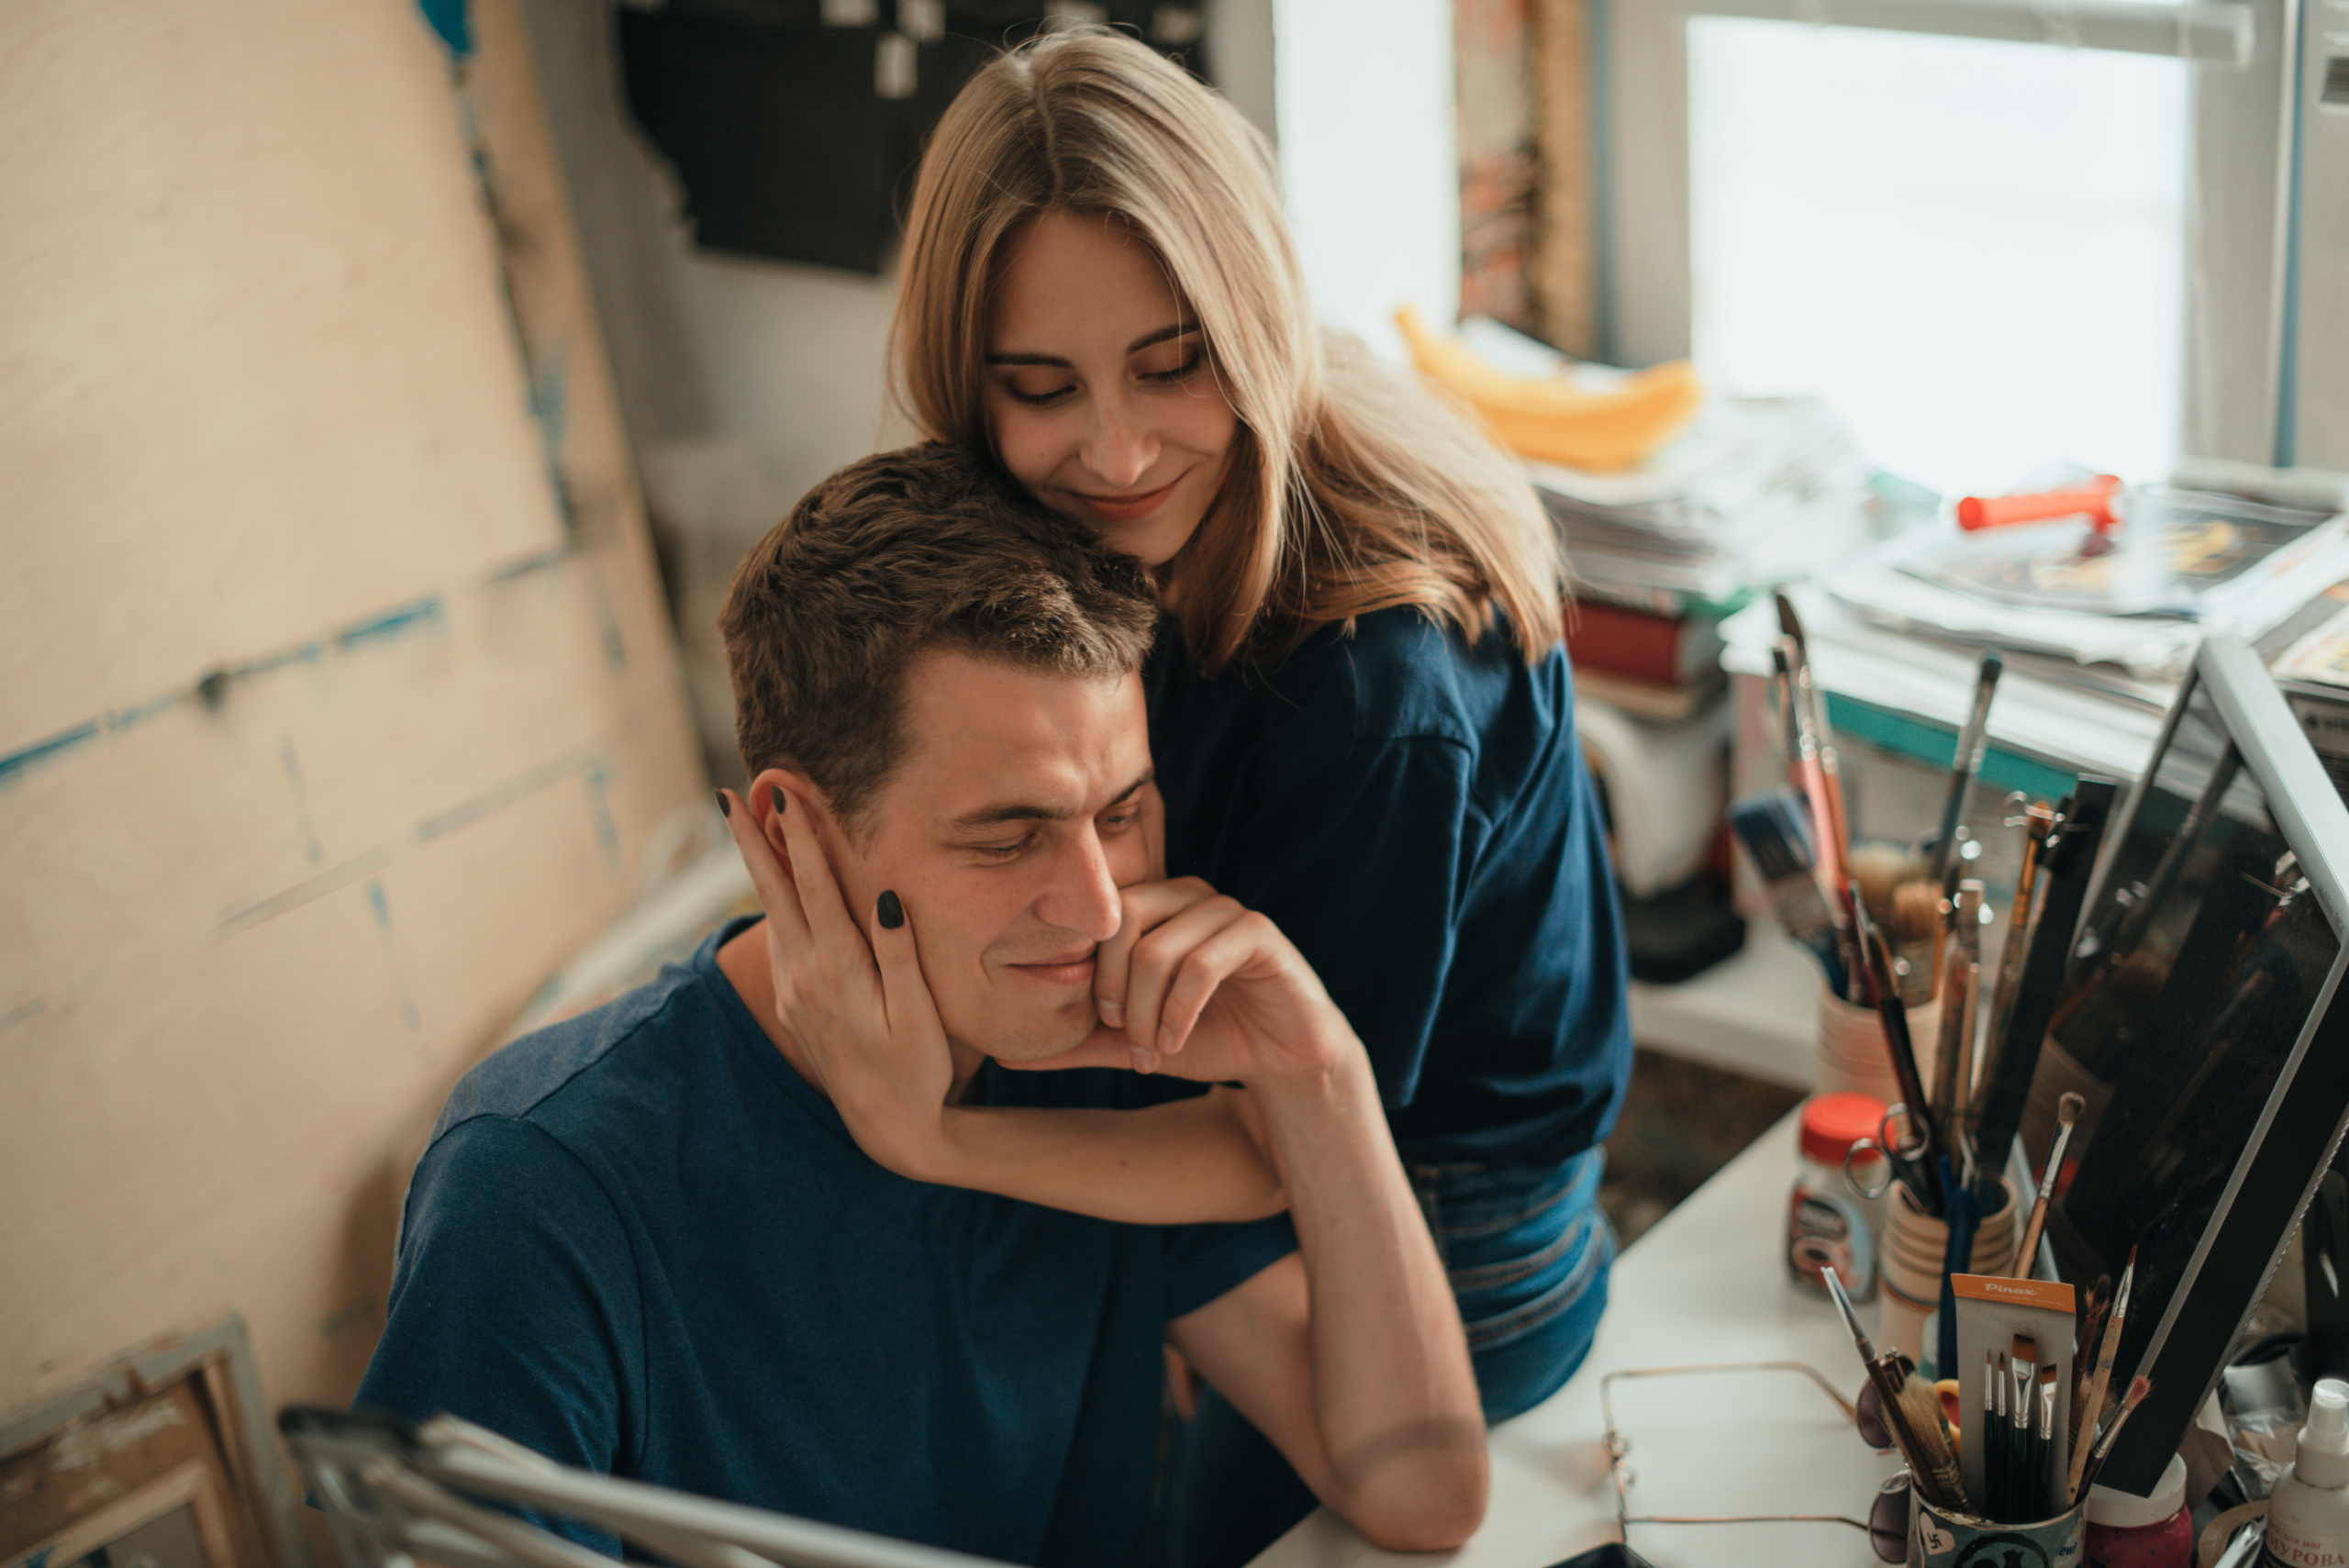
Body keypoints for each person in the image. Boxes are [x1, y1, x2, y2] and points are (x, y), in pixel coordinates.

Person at [802, 29, 1635, 1563]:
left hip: (1444, 1230)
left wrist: (944, 1139)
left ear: (1251, 320)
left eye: (1172, 363)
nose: (1114, 449)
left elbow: (1287, 1133)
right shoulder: (1138, 530)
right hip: (1242, 1128)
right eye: (1040, 389)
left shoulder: (1371, 697)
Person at [350, 444, 1486, 1568]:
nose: (1099, 908)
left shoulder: (1093, 1050)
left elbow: (1423, 1491)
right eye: (1009, 835)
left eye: (1124, 811)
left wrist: (1320, 1077)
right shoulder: (543, 1183)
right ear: (793, 835)